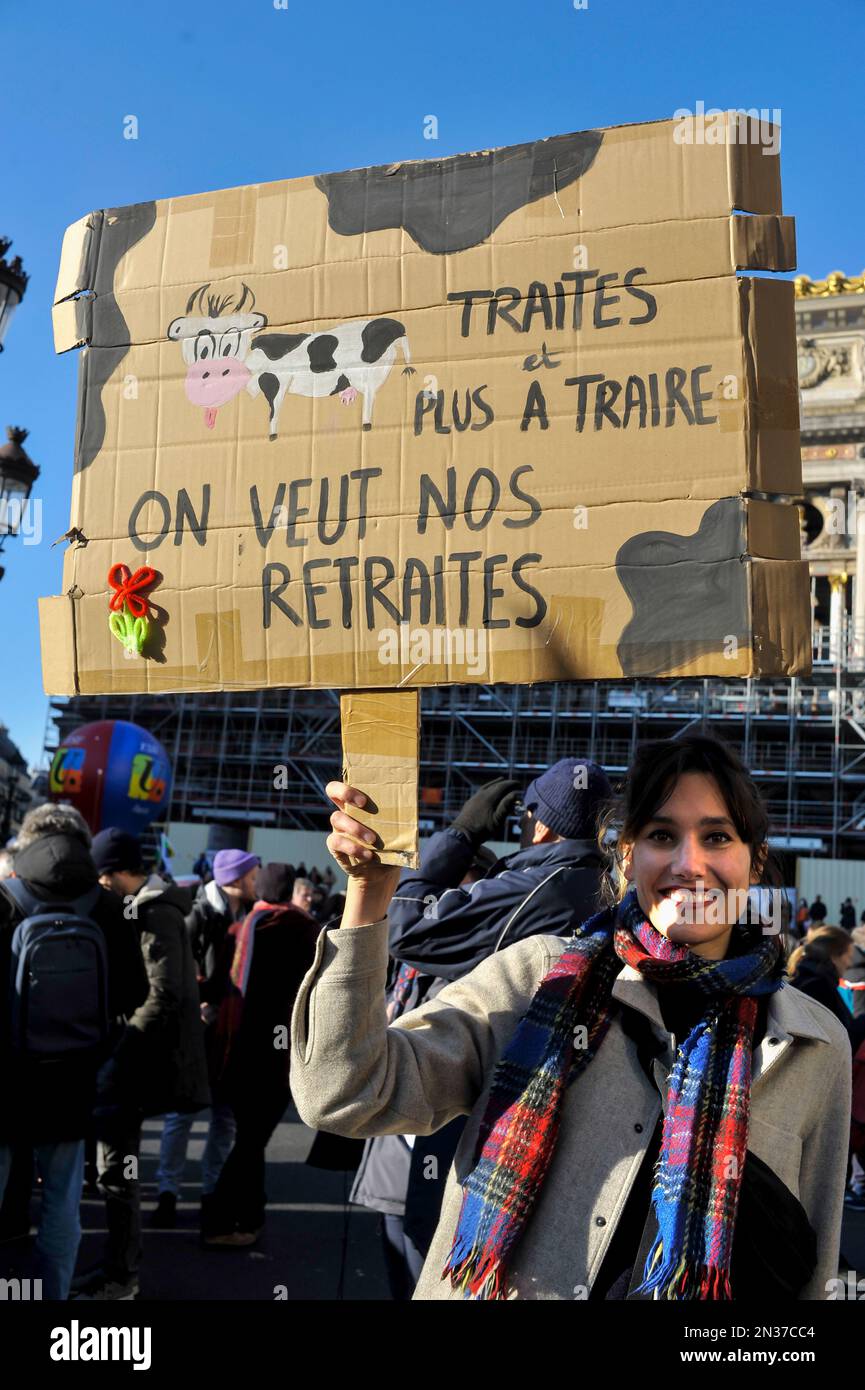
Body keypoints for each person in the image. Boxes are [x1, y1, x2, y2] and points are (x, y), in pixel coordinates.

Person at [290, 733, 852, 1301]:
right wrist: (367, 895)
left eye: (717, 836)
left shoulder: (812, 1042)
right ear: (628, 855)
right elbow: (344, 1091)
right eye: (662, 835)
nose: (690, 863)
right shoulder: (536, 978)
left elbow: (815, 1274)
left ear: (754, 862)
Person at [352, 762, 612, 1298]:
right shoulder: (608, 883)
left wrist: (461, 835)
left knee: (432, 1250)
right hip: (574, 1111)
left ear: (540, 825)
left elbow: (407, 927)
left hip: (489, 1099)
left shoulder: (539, 882)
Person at [0, 805, 147, 1300]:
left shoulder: (6, 896)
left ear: (27, 841)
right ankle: (54, 1298)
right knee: (62, 1201)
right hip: (73, 1078)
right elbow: (135, 990)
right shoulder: (104, 906)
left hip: (6, 1075)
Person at [71, 828, 210, 1300]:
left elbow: (163, 993)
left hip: (139, 1062)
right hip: (143, 1060)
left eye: (105, 877)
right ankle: (118, 1269)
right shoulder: (152, 906)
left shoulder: (153, 912)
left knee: (119, 1172)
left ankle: (121, 1277)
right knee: (117, 1170)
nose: (103, 887)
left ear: (117, 873)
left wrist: (120, 1045)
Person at [201, 863, 319, 1246]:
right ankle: (220, 1220)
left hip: (237, 1051)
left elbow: (218, 985)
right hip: (279, 1055)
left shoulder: (241, 929)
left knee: (250, 1137)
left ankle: (249, 1215)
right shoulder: (304, 931)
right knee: (252, 1140)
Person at [151, 848, 260, 1228]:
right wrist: (198, 1004)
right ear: (238, 877)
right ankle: (168, 1192)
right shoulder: (198, 914)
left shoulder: (248, 914)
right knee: (181, 1114)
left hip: (229, 1031)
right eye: (253, 874)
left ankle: (211, 1191)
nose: (257, 880)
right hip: (197, 1029)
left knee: (224, 1116)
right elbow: (177, 967)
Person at [787, 926, 865, 1051]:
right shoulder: (817, 988)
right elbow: (838, 1041)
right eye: (849, 956)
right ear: (835, 956)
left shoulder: (808, 979)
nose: (850, 963)